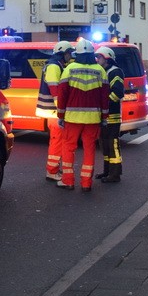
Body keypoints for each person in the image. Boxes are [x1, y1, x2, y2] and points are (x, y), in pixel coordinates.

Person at [56, 39, 108, 192]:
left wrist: (60, 115)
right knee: (89, 149)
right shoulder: (100, 70)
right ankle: (86, 183)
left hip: (72, 118)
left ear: (76, 54)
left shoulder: (70, 68)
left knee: (68, 147)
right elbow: (104, 97)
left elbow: (62, 94)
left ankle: (68, 181)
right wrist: (104, 118)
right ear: (92, 54)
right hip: (93, 118)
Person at [35, 40, 73, 181]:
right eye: (69, 53)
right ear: (62, 53)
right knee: (57, 141)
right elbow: (55, 90)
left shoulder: (55, 65)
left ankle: (54, 169)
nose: (70, 56)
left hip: (51, 110)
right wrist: (61, 110)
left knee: (58, 140)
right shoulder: (54, 66)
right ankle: (52, 171)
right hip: (52, 110)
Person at [95, 47, 125, 183]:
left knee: (112, 145)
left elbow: (118, 93)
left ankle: (115, 174)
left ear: (107, 58)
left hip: (112, 116)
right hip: (104, 116)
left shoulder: (115, 72)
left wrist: (105, 103)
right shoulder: (104, 71)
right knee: (105, 145)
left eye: (99, 57)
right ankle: (107, 172)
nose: (97, 60)